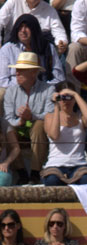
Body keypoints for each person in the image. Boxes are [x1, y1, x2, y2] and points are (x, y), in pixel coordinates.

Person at [3, 51, 54, 185]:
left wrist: (31, 116)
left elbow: (50, 114)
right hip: (18, 128)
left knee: (39, 125)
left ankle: (35, 172)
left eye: (21, 70)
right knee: (9, 128)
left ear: (33, 73)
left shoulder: (49, 89)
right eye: (17, 70)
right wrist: (20, 121)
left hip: (38, 129)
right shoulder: (10, 91)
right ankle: (21, 172)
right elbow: (8, 118)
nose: (17, 73)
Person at [41, 86, 87, 186]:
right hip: (55, 164)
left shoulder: (80, 116)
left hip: (78, 164)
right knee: (52, 181)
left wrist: (75, 94)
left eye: (69, 98)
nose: (65, 101)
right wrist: (56, 106)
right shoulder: (49, 117)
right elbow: (54, 135)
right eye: (62, 98)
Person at [0, 14, 65, 89]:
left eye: (27, 27)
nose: (23, 30)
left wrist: (43, 89)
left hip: (44, 89)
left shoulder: (48, 47)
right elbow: (2, 81)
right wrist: (22, 90)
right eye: (20, 27)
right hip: (14, 90)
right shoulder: (7, 49)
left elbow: (59, 77)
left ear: (34, 29)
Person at [0, 0, 68, 55]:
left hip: (40, 50)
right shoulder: (13, 3)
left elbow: (59, 31)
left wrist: (61, 42)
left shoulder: (50, 10)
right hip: (14, 47)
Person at [0, 119, 21, 186]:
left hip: (1, 168)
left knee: (4, 179)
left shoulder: (3, 123)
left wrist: (6, 163)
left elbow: (16, 148)